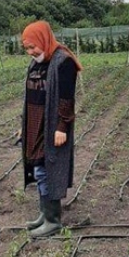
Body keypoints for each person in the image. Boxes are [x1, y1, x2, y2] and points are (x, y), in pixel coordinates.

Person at [21, 20, 83, 238]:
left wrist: (62, 127)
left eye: (32, 46)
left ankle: (53, 219)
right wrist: (25, 126)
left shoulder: (63, 62)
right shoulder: (37, 62)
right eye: (26, 48)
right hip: (35, 125)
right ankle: (43, 213)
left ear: (43, 40)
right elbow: (31, 97)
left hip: (52, 126)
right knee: (38, 169)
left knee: (46, 171)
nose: (30, 52)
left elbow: (67, 99)